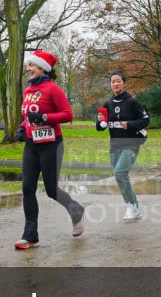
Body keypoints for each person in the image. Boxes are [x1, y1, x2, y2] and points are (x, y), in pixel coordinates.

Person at [14, 50, 86, 250]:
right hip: (31, 144)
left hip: (51, 144)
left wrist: (46, 118)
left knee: (51, 190)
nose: (28, 68)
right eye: (28, 65)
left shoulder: (53, 89)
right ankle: (30, 235)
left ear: (43, 68)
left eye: (32, 65)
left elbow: (67, 114)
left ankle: (76, 210)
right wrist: (22, 127)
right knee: (27, 188)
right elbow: (30, 116)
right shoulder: (28, 90)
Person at [95, 70, 150, 221]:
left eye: (118, 81)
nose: (115, 84)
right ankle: (134, 206)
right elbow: (99, 127)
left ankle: (132, 206)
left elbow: (145, 121)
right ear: (110, 84)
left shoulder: (132, 102)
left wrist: (129, 124)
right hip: (115, 145)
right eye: (113, 81)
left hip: (131, 143)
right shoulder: (107, 103)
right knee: (120, 176)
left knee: (120, 173)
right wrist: (100, 122)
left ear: (124, 83)